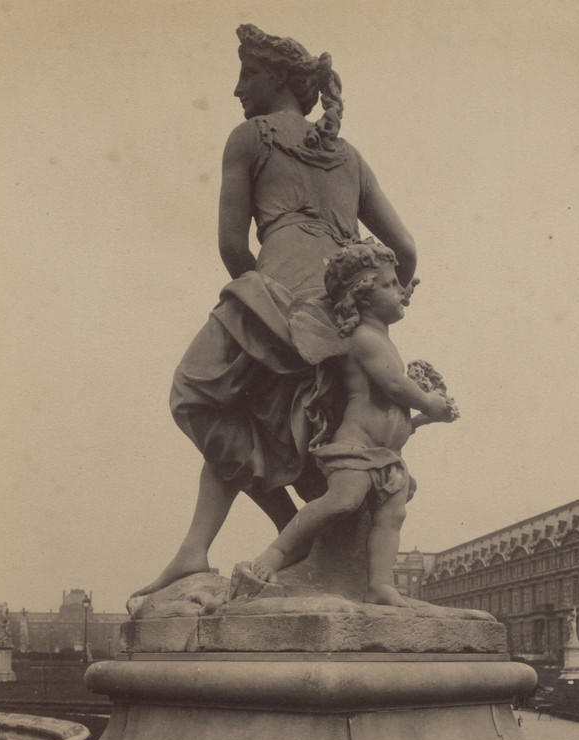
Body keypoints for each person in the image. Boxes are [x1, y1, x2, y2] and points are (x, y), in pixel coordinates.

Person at [133, 24, 416, 598]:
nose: (238, 89)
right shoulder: (349, 156)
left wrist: (259, 303)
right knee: (265, 422)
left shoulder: (250, 137)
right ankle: (200, 548)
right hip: (341, 314)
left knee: (199, 395)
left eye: (248, 75)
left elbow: (232, 246)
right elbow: (405, 250)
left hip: (278, 293)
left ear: (280, 80)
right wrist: (378, 317)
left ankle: (276, 535)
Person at [233, 239, 454, 607]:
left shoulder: (383, 339)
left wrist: (423, 420)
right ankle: (274, 554)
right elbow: (396, 386)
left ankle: (380, 585)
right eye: (389, 285)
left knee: (393, 515)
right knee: (341, 502)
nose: (400, 291)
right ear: (361, 295)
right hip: (357, 449)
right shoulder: (365, 339)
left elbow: (392, 410)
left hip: (388, 456)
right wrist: (430, 399)